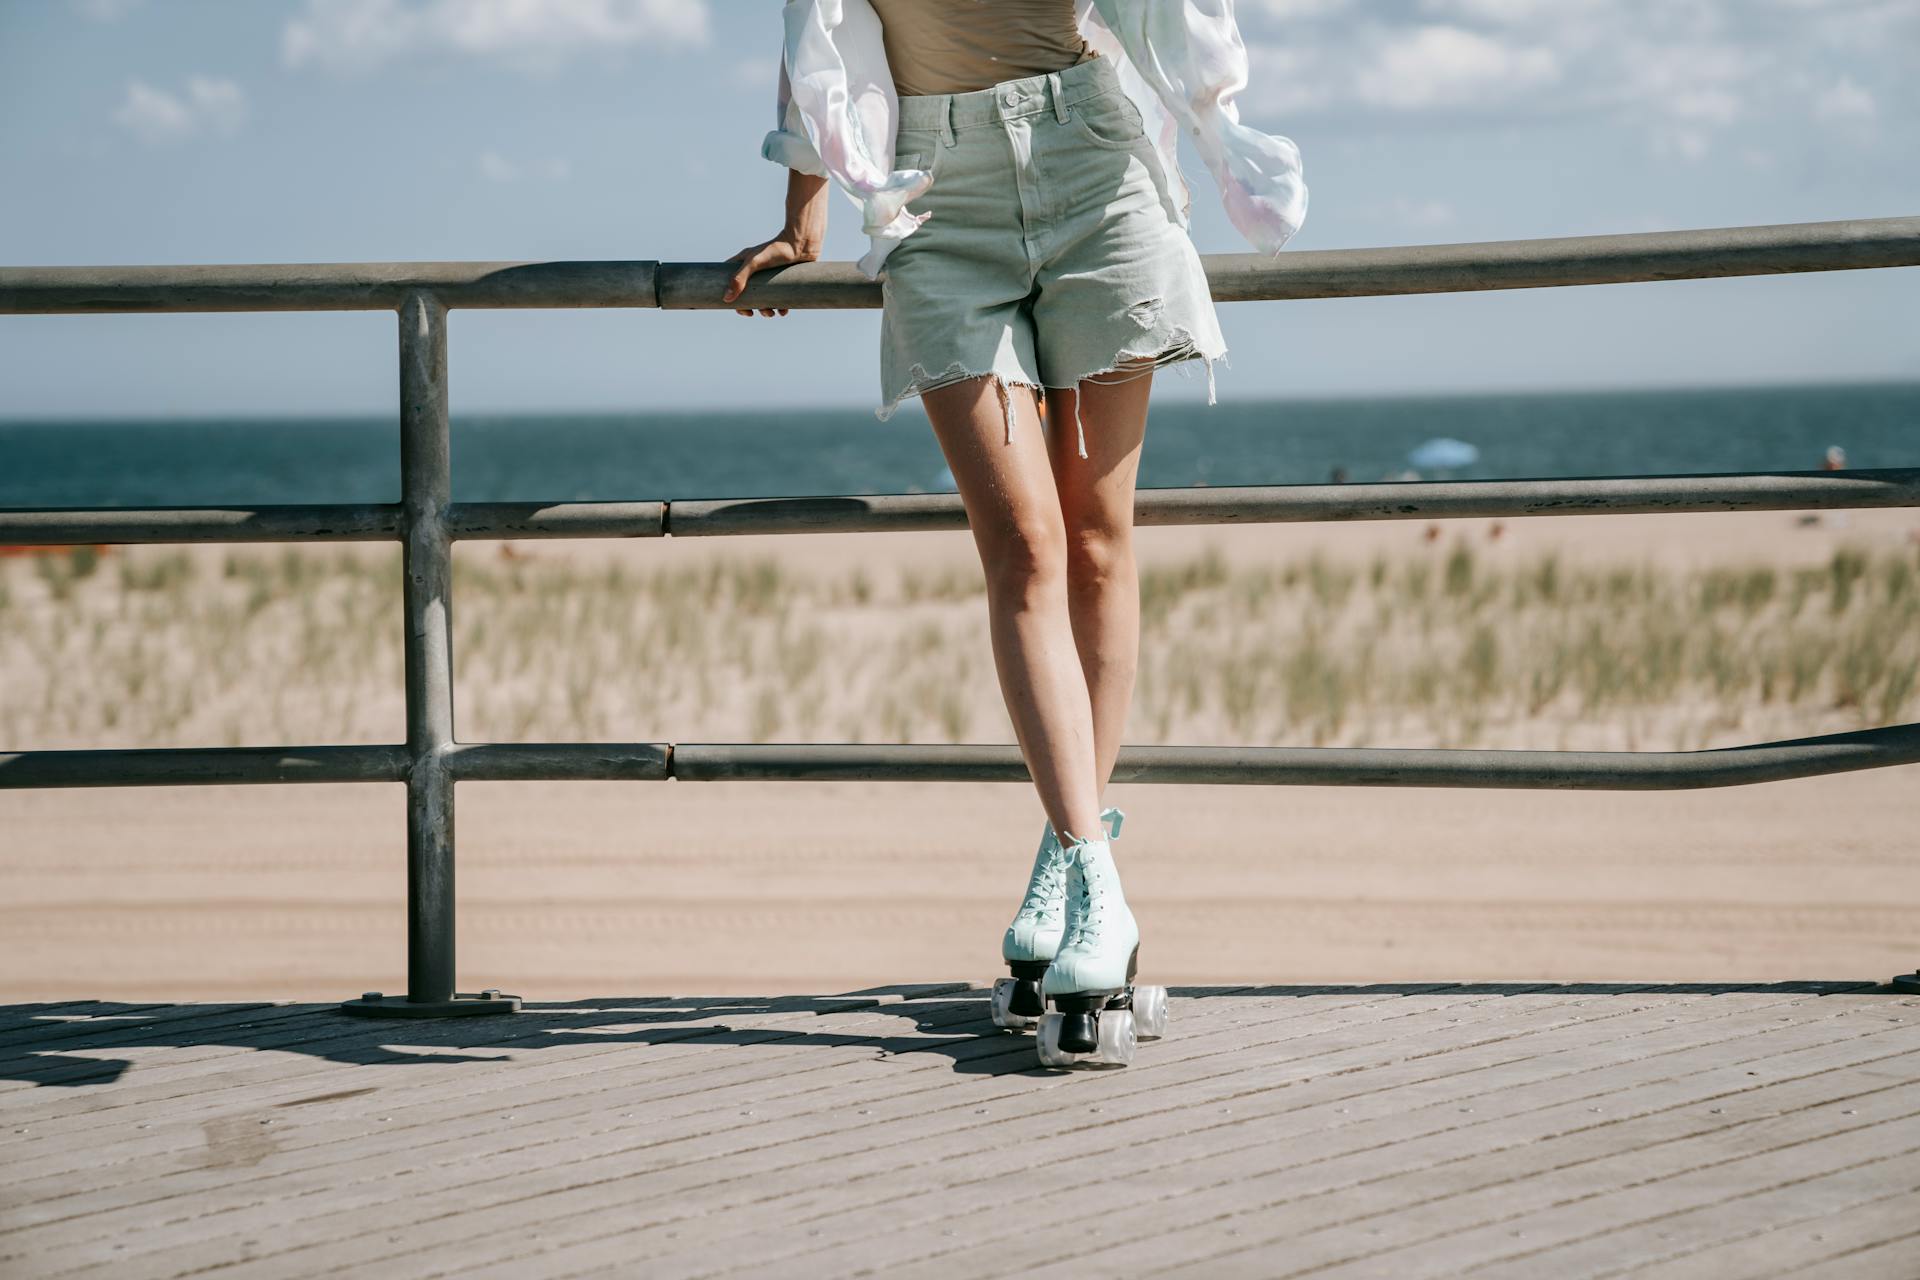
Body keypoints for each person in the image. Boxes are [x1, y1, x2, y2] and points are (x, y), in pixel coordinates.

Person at [720, 0, 1306, 1066]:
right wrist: (804, 220)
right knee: (1026, 547)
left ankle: (1068, 867)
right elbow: (817, 32)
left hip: (1097, 167)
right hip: (936, 196)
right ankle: (1095, 871)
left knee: (1097, 542)